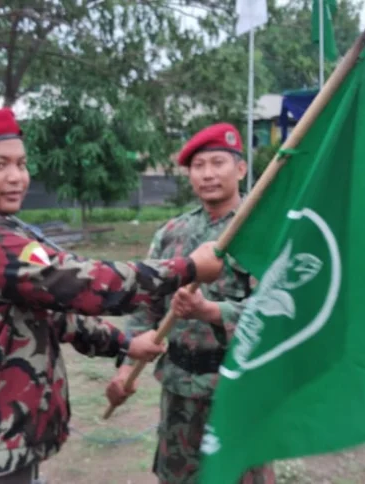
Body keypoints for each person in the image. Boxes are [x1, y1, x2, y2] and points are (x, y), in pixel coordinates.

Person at [0, 108, 225, 484]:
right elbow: (83, 285)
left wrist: (123, 343)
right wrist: (186, 268)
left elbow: (51, 312)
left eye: (21, 164)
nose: (16, 177)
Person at [107, 123, 277, 484]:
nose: (208, 174)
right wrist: (126, 369)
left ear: (241, 169)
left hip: (237, 389)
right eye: (198, 166)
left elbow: (276, 313)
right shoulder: (171, 234)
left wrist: (212, 311)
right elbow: (145, 309)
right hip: (179, 388)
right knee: (177, 477)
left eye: (218, 163)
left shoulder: (264, 231)